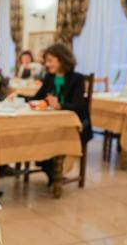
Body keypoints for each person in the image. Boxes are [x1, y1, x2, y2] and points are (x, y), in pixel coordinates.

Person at [30, 43, 93, 185]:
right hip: (52, 123)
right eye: (46, 61)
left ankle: (53, 172)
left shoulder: (77, 78)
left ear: (62, 60)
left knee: (44, 138)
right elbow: (37, 97)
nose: (47, 64)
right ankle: (52, 171)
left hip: (74, 126)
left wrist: (60, 105)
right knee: (34, 137)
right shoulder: (49, 76)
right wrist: (18, 97)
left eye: (50, 60)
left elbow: (79, 106)